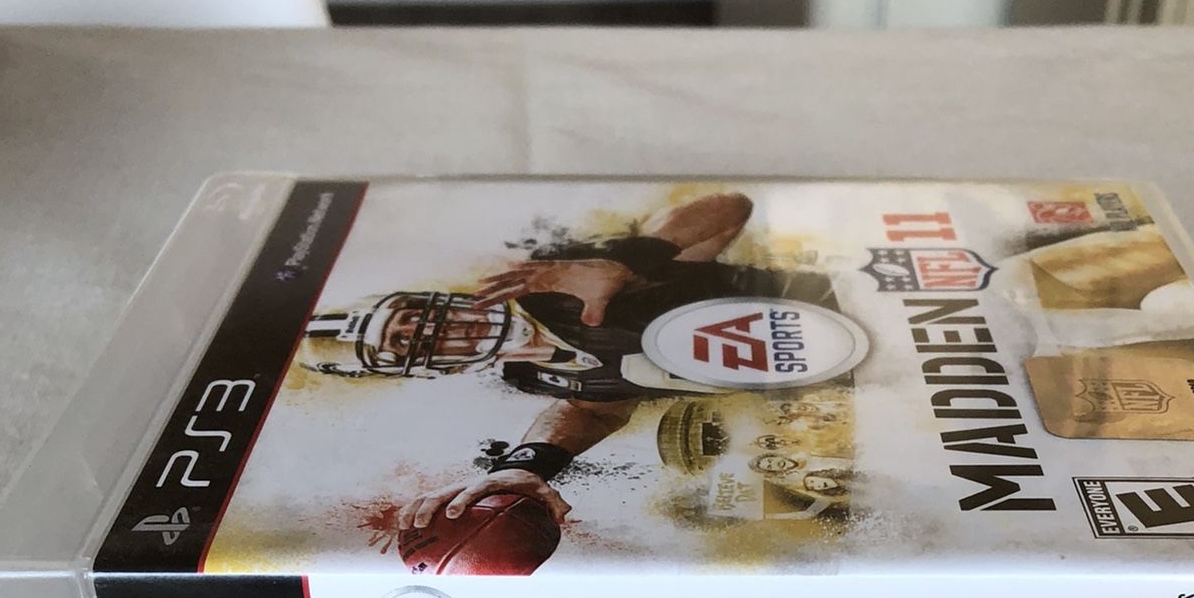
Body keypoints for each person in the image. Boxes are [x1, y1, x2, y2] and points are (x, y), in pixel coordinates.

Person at [298, 191, 838, 537]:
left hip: (845, 306)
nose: (438, 331)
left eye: (416, 318)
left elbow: (729, 208)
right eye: (407, 344)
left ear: (430, 299)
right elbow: (595, 407)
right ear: (426, 370)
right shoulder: (530, 375)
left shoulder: (558, 282)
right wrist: (525, 467)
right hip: (839, 380)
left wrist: (627, 259)